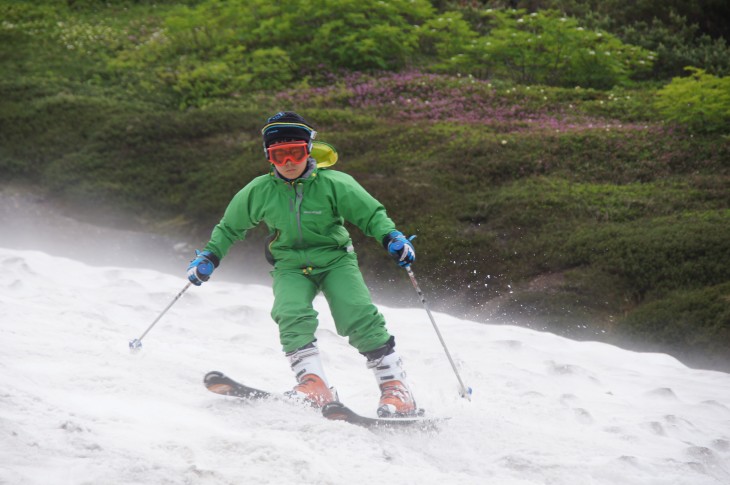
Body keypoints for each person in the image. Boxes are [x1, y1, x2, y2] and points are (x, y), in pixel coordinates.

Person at [186, 111, 419, 417]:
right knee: (290, 312)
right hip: (290, 265)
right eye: (278, 155)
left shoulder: (335, 184)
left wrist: (392, 237)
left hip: (336, 260)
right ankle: (313, 383)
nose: (288, 162)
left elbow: (370, 214)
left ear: (308, 150)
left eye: (295, 152)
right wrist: (209, 257)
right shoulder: (259, 191)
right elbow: (230, 227)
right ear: (269, 157)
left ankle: (396, 388)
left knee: (357, 313)